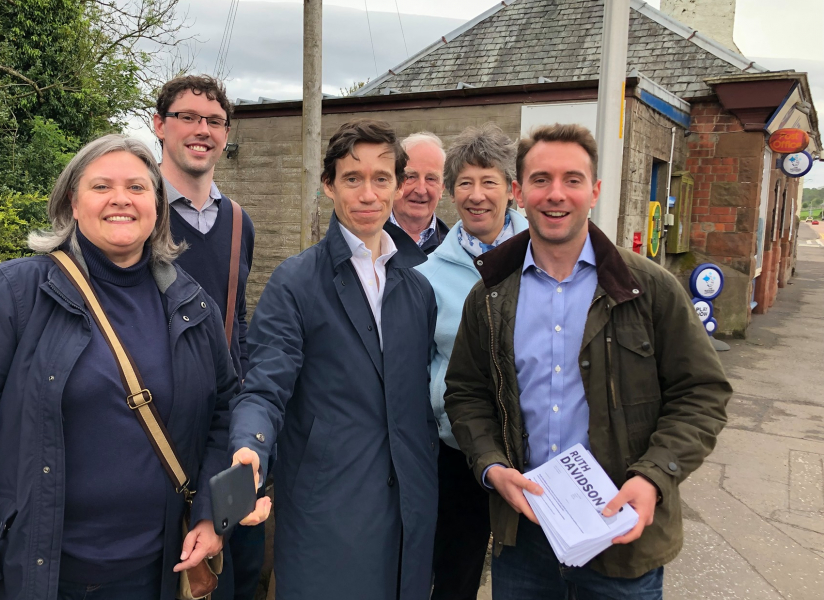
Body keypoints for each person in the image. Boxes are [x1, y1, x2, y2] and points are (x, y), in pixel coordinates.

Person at [0, 135, 237, 600]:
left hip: (156, 574)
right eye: (101, 186)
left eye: (137, 187)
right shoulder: (12, 294)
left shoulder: (188, 302)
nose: (121, 200)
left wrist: (211, 513)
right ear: (73, 201)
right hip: (38, 576)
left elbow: (225, 413)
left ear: (157, 205)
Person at [443, 123, 732, 599]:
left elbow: (702, 392)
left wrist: (654, 476)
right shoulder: (490, 296)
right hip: (525, 537)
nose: (556, 194)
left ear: (595, 191)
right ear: (519, 191)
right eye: (541, 180)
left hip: (619, 535)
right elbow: (466, 394)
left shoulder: (650, 289)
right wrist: (491, 466)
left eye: (572, 180)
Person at [229, 119, 439, 600]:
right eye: (352, 178)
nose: (367, 194)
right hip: (329, 508)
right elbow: (264, 385)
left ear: (398, 186)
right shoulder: (295, 283)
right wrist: (250, 446)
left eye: (381, 178)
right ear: (329, 186)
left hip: (410, 506)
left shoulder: (418, 289)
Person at [153, 75, 262, 600]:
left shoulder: (240, 221)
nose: (202, 130)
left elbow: (235, 323)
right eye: (188, 118)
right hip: (151, 425)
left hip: (219, 425)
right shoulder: (135, 213)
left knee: (230, 574)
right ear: (159, 125)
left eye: (214, 121)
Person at [414, 123, 527, 600]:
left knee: (527, 576)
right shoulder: (427, 276)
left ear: (512, 190)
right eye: (464, 182)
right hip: (456, 453)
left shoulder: (544, 258)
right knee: (454, 575)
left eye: (489, 182)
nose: (476, 195)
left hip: (531, 453)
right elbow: (418, 367)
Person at [390, 132, 449, 254]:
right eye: (411, 177)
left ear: (442, 188)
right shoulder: (367, 240)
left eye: (431, 179)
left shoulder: (453, 251)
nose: (421, 190)